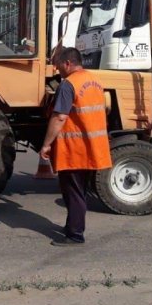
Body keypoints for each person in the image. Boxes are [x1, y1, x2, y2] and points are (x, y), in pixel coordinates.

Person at [40, 47, 112, 246]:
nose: (57, 69)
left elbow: (60, 116)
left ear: (68, 63)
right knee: (79, 191)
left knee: (73, 193)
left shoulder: (68, 85)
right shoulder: (95, 81)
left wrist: (46, 144)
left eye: (58, 65)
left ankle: (75, 234)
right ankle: (72, 225)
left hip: (74, 149)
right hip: (92, 147)